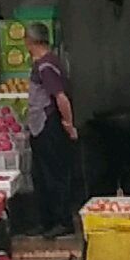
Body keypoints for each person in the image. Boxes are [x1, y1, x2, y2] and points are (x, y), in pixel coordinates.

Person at [24, 23, 80, 239]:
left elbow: (60, 97)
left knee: (54, 174)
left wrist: (68, 123)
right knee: (40, 175)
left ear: (31, 41)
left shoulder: (46, 65)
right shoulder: (43, 63)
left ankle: (62, 221)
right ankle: (46, 221)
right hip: (40, 127)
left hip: (50, 126)